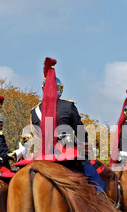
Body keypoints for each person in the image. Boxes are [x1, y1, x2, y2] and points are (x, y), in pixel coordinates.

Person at [29, 57, 105, 192]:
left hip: (42, 155)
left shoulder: (34, 112)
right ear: (59, 89)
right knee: (99, 185)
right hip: (65, 152)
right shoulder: (68, 106)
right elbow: (81, 132)